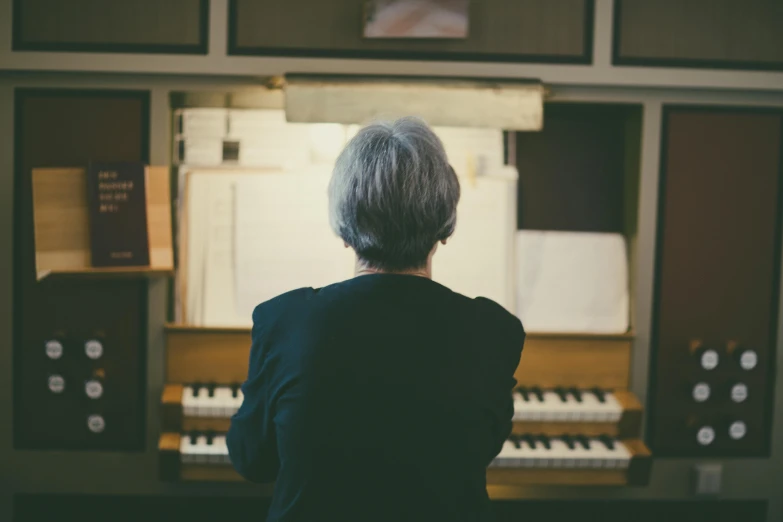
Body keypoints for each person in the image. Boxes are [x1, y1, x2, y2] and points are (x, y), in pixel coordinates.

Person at [226, 117, 525, 522]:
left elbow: (253, 461)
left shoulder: (283, 320)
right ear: (445, 226)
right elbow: (477, 450)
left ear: (344, 228)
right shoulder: (494, 330)